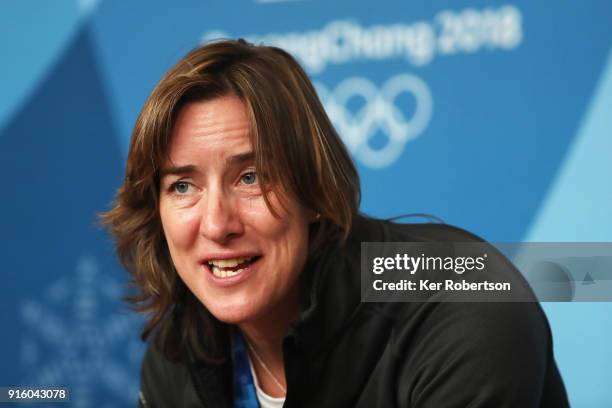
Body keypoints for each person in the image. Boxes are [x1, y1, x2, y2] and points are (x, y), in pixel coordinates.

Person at [103, 39, 569, 407]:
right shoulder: (180, 354)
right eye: (183, 186)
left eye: (251, 177)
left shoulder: (459, 301)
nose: (216, 224)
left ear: (315, 191)